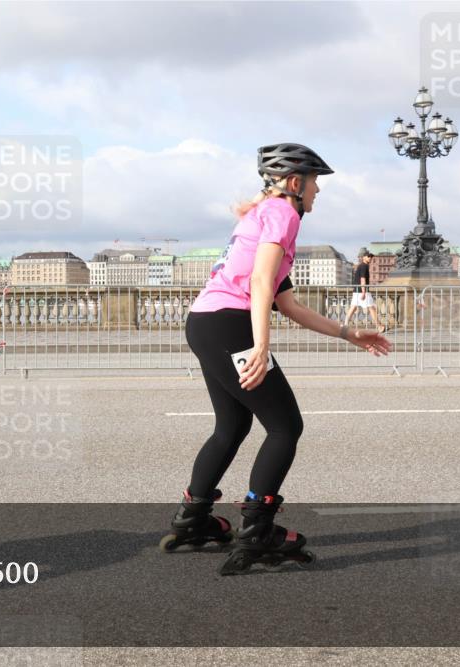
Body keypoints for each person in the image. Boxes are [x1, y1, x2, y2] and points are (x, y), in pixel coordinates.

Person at [159, 144, 391, 575]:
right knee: (286, 426)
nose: (319, 191)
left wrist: (348, 333)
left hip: (205, 322)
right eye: (316, 182)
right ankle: (258, 530)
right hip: (230, 325)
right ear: (294, 182)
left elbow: (288, 303)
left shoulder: (260, 215)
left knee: (232, 425)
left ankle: (193, 518)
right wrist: (260, 346)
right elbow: (261, 282)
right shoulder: (283, 214)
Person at [344, 251, 386, 333]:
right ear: (363, 257)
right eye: (368, 256)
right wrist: (363, 292)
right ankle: (379, 327)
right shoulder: (364, 266)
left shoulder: (361, 266)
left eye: (371, 257)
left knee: (353, 307)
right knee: (372, 308)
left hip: (356, 290)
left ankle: (345, 325)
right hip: (362, 291)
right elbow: (362, 279)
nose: (370, 258)